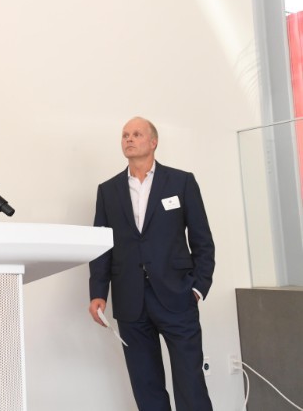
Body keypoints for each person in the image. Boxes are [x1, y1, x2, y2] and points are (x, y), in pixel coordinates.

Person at [88, 117, 215, 411]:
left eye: (136, 134)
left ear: (153, 142)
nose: (129, 139)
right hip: (131, 302)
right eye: (124, 135)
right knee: (146, 389)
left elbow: (202, 241)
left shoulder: (182, 182)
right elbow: (101, 246)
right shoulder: (108, 191)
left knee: (191, 385)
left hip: (177, 297)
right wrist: (98, 293)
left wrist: (197, 288)